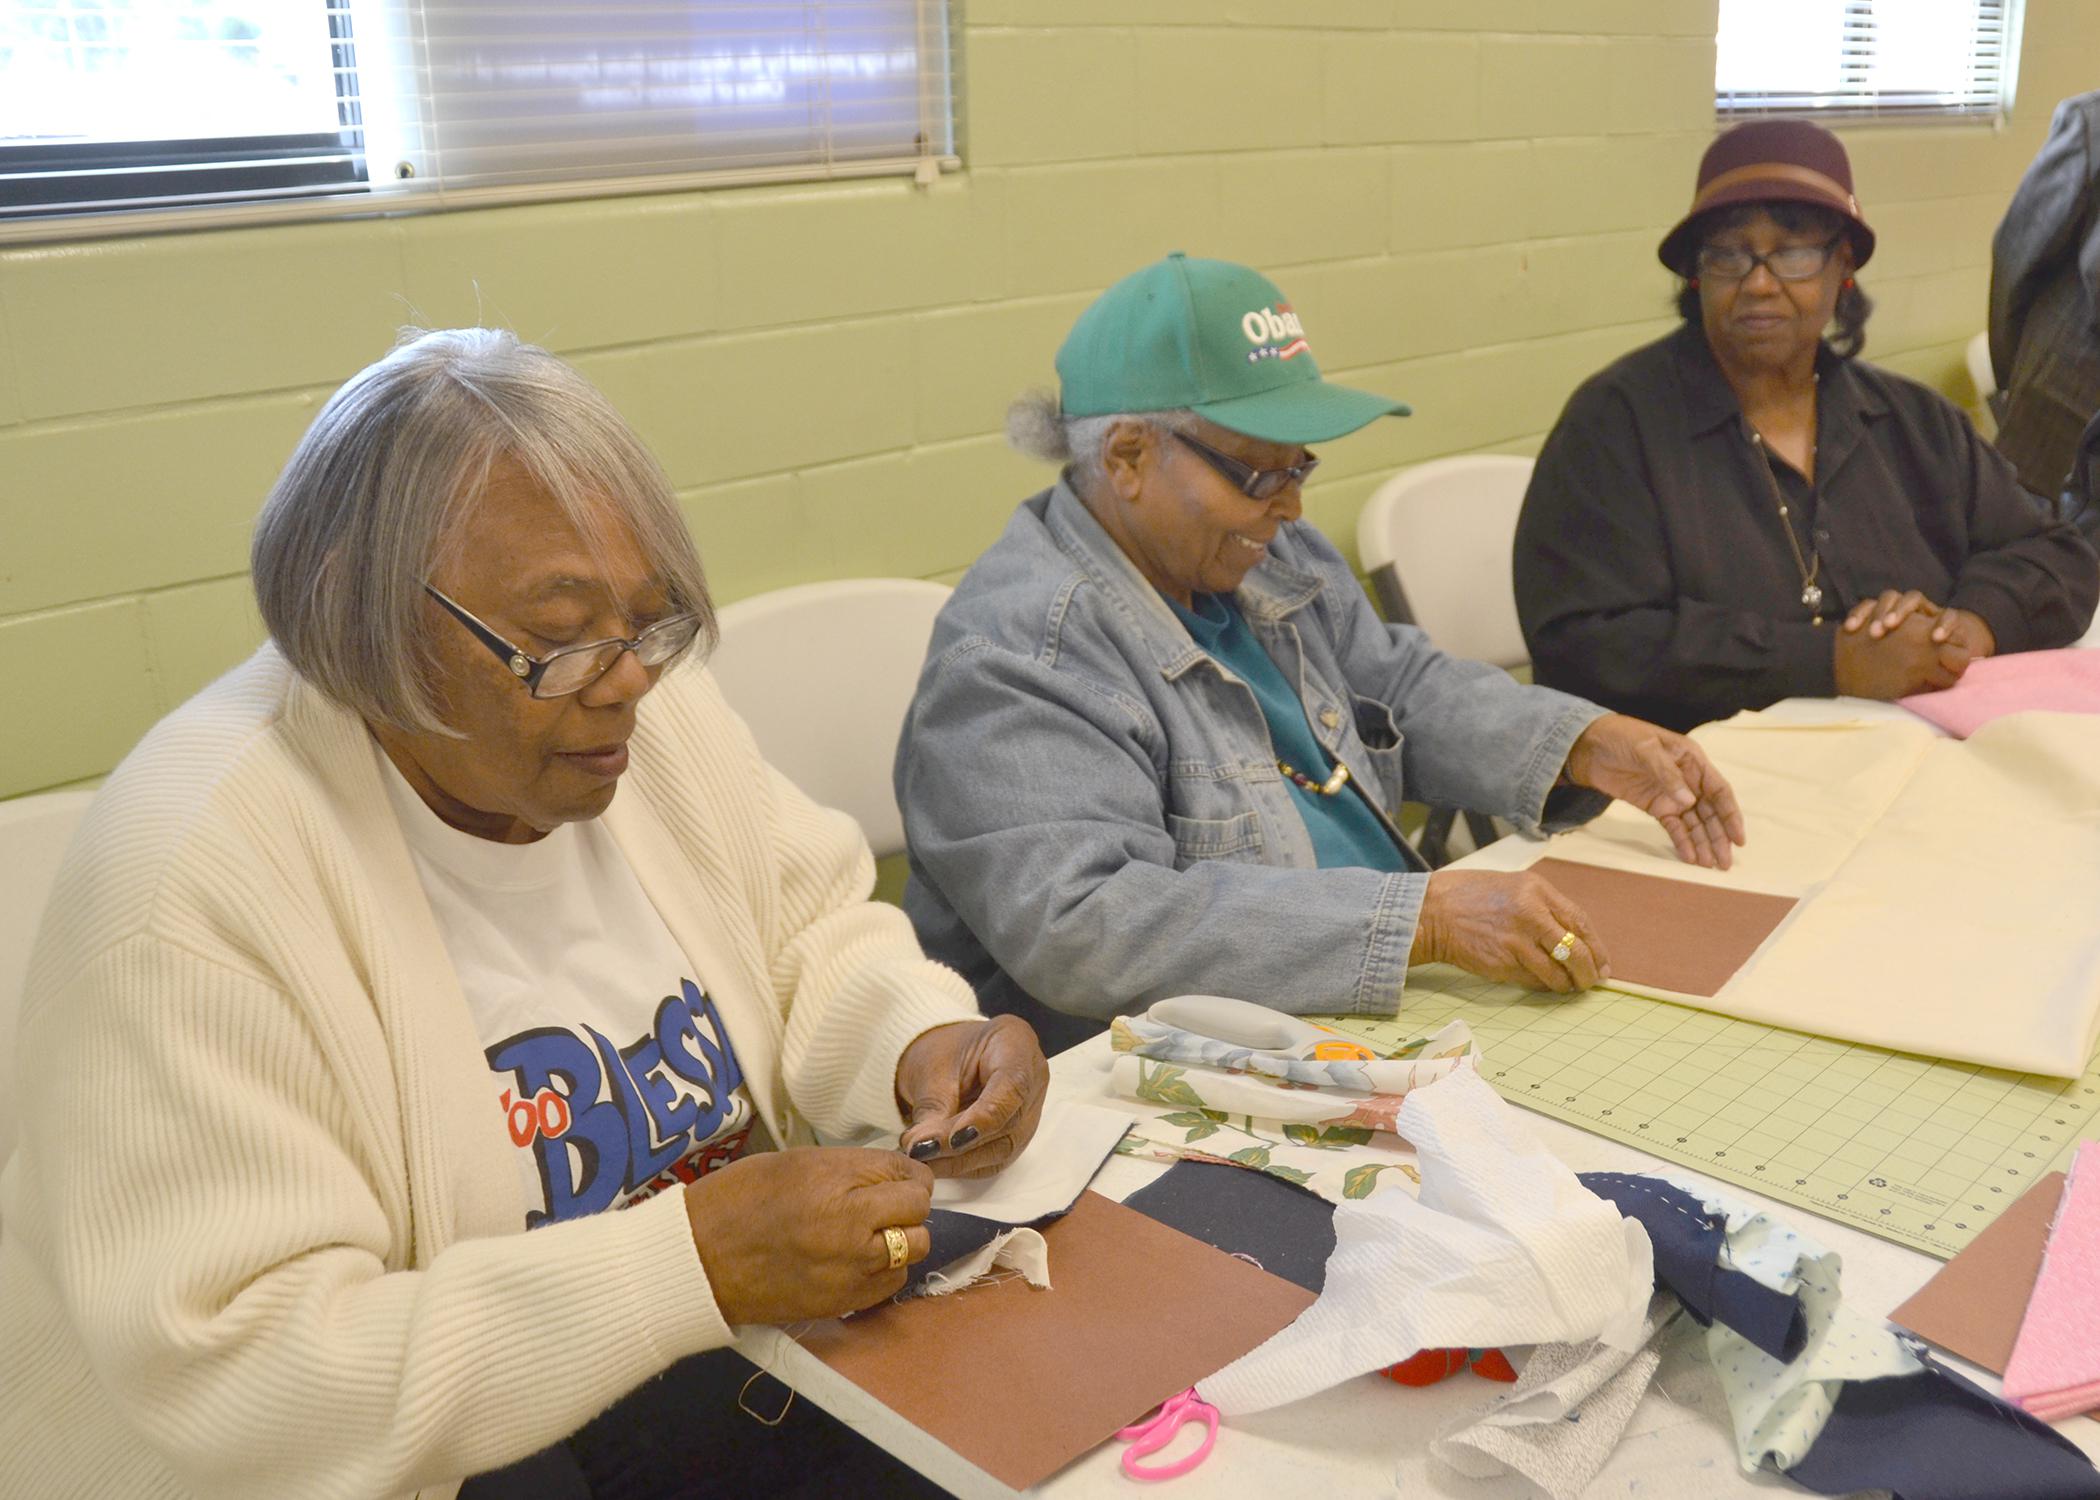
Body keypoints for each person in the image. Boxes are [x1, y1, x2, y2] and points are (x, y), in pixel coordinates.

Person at [0, 329, 1048, 1500]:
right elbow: (250, 1379)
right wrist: (687, 1264)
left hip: (677, 1378)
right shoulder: (192, 882)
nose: (628, 681)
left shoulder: (637, 722)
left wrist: (918, 1041)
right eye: (555, 641)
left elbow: (806, 931)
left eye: (651, 622)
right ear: (366, 621)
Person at [894, 253, 1745, 1055]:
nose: (1293, 506)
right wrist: (1422, 920)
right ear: (1127, 456)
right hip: (1175, 1080)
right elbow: (1089, 923)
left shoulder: (1260, 553)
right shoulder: (1015, 655)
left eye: (1299, 464)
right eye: (1258, 475)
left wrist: (1582, 743)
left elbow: (1398, 687)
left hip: (1368, 1005)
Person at [1514, 120, 2099, 734]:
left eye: (1792, 254)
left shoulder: (1914, 422)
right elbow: (1585, 642)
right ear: (1696, 275)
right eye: (1729, 254)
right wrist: (1831, 662)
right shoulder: (1614, 427)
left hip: (1905, 761)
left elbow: (2057, 556)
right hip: (1692, 789)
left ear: (1842, 266)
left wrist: (1969, 627)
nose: (1759, 282)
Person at [1991, 89, 2100, 508]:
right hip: (2060, 413)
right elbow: (2016, 257)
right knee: (2021, 552)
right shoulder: (2091, 124)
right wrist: (2016, 383)